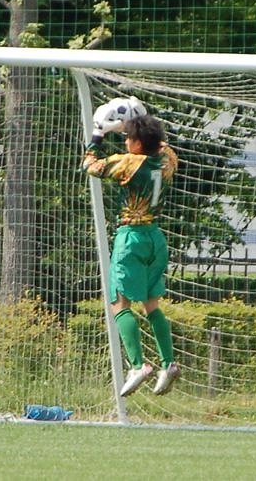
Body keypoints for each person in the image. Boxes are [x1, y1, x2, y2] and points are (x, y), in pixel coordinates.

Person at [83, 113, 180, 397]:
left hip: (131, 238)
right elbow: (161, 144)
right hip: (156, 238)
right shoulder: (168, 160)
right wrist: (142, 122)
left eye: (128, 138)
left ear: (137, 144)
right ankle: (168, 363)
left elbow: (90, 165)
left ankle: (138, 366)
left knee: (118, 302)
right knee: (152, 305)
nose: (125, 141)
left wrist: (99, 134)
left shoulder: (128, 162)